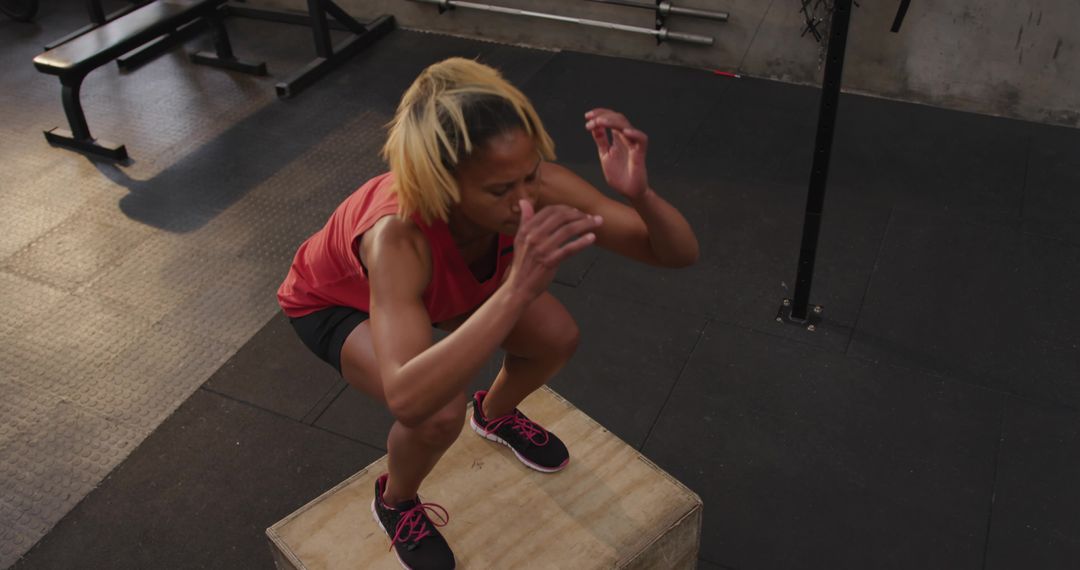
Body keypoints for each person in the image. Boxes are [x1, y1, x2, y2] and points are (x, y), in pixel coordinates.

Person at [277, 57, 699, 569]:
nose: (525, 200)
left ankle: (494, 414)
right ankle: (396, 500)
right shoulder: (398, 236)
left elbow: (675, 254)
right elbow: (407, 398)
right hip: (336, 303)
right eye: (501, 190)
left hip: (438, 287)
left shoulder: (529, 189)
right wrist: (516, 290)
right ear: (445, 184)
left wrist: (641, 195)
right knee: (437, 413)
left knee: (555, 337)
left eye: (530, 175)